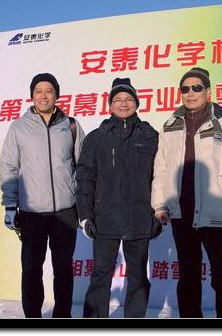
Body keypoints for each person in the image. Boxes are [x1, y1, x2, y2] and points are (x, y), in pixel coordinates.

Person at [151, 67, 222, 318]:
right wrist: (160, 204)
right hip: (181, 212)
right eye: (185, 88)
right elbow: (161, 168)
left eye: (196, 87)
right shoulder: (170, 125)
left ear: (208, 92)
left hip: (214, 211)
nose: (190, 93)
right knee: (188, 276)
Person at [0, 72, 85, 318]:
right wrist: (10, 205)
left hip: (65, 212)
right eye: (38, 91)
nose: (43, 96)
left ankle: (62, 316)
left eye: (49, 91)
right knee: (31, 270)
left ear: (57, 95)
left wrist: (83, 206)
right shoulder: (19, 127)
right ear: (32, 96)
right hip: (31, 213)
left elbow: (83, 167)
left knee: (64, 269)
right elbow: (9, 168)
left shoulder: (70, 125)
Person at [76, 78, 160, 318]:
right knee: (100, 274)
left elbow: (160, 178)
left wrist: (159, 212)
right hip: (105, 219)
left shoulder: (150, 136)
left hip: (139, 218)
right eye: (118, 100)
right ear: (110, 105)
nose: (123, 104)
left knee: (138, 276)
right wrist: (85, 215)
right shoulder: (96, 138)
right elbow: (85, 179)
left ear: (137, 103)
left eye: (128, 99)